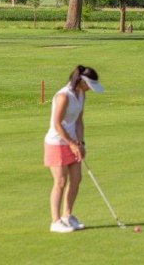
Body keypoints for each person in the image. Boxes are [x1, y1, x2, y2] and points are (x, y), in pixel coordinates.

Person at [43, 65, 104, 233]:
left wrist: (81, 143)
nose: (90, 90)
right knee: (60, 182)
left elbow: (78, 121)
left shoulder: (81, 94)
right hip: (56, 143)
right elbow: (57, 124)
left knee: (76, 179)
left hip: (72, 142)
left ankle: (67, 216)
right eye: (89, 85)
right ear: (81, 81)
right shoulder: (63, 96)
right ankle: (55, 222)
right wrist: (71, 143)